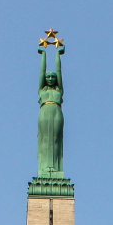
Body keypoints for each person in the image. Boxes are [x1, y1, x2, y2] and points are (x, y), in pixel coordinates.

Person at [36, 44, 65, 177]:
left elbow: (59, 71)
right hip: (44, 112)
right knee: (45, 139)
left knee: (56, 139)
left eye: (53, 77)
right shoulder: (42, 90)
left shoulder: (59, 90)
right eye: (48, 77)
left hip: (56, 112)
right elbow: (42, 72)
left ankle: (56, 167)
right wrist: (44, 55)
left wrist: (58, 55)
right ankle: (44, 167)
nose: (51, 78)